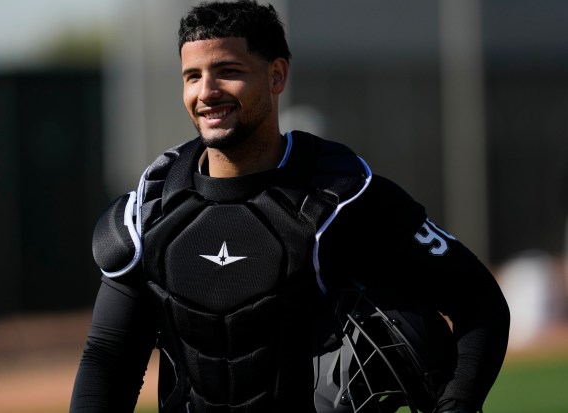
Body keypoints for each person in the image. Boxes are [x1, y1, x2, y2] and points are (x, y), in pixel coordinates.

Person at [69, 1, 510, 412]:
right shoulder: (150, 211)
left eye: (227, 70)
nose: (207, 92)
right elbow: (109, 358)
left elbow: (481, 303)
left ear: (276, 75)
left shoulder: (343, 196)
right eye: (192, 76)